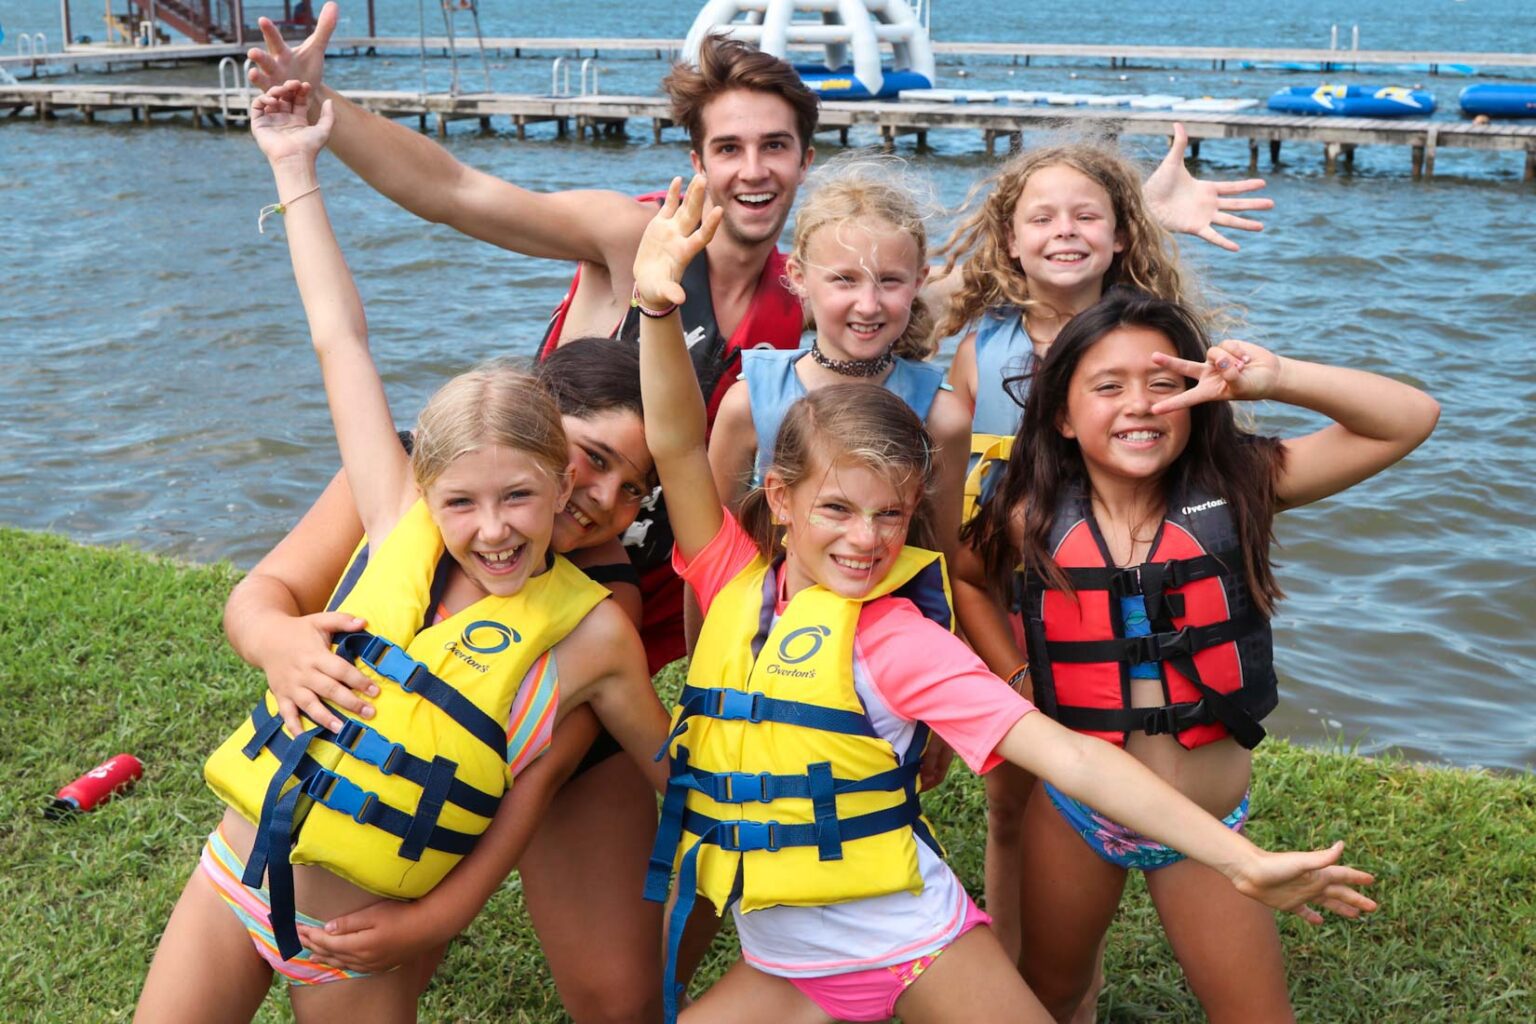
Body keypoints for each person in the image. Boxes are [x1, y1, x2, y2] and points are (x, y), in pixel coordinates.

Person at [245, 3, 1275, 672]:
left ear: (802, 158)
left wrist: (1136, 203)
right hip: (537, 513)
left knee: (628, 753)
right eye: (728, 146)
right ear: (694, 156)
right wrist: (322, 104)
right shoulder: (628, 235)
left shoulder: (815, 298)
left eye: (774, 146)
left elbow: (958, 279)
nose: (752, 169)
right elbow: (460, 191)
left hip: (657, 563)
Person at [632, 176, 1378, 1024]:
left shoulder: (901, 638)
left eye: (890, 516)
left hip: (914, 942)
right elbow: (673, 445)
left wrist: (1238, 861)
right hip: (786, 965)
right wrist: (656, 309)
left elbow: (1076, 759)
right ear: (779, 498)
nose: (863, 540)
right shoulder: (732, 577)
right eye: (836, 510)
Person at [134, 81, 670, 1022]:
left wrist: (440, 920)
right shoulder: (397, 509)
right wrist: (294, 166)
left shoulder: (592, 636)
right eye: (467, 501)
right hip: (233, 872)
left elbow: (602, 789)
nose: (496, 528)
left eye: (527, 501)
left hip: (364, 941)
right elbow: (339, 338)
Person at [963, 287, 1437, 1021]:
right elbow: (968, 578)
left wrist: (1276, 377)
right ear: (1061, 414)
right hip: (1077, 817)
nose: (1141, 406)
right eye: (1109, 386)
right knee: (1052, 994)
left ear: (1198, 397)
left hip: (1209, 829)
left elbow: (1408, 421)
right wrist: (1015, 672)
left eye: (1164, 386)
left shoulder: (1244, 483)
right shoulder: (1027, 509)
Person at [934, 141, 1198, 969]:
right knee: (1012, 798)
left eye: (1089, 216)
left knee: (1107, 783)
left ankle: (1070, 974)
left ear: (1123, 234)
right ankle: (1016, 976)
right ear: (1007, 240)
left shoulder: (1151, 337)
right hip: (1001, 596)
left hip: (1108, 603)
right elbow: (889, 292)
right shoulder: (980, 344)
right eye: (1040, 218)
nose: (1064, 233)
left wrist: (1147, 212)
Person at [708, 155, 970, 560]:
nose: (868, 305)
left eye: (889, 281)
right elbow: (712, 553)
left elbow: (944, 559)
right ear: (798, 277)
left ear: (919, 280)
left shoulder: (942, 417)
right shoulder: (749, 403)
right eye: (844, 280)